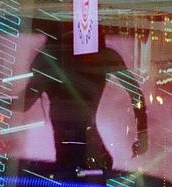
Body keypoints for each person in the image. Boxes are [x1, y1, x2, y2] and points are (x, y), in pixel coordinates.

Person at [16, 23, 148, 177]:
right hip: (83, 145)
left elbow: (24, 103)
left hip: (72, 145)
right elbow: (135, 93)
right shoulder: (101, 56)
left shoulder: (49, 57)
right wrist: (143, 133)